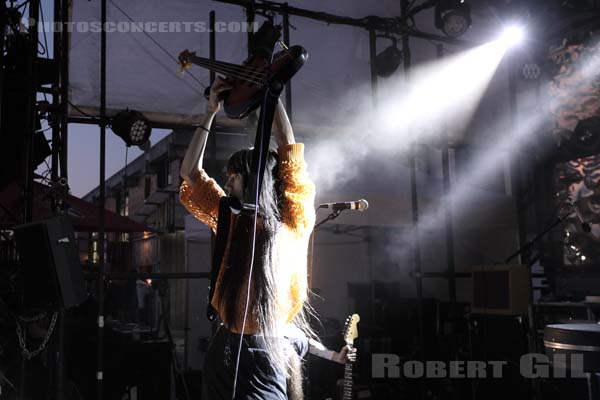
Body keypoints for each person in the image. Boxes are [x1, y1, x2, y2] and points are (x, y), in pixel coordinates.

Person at [180, 77, 317, 399]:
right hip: (225, 343)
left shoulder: (293, 217)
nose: (229, 183)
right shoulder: (230, 216)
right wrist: (210, 111)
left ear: (254, 179)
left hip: (264, 349)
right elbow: (190, 174)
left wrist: (273, 92)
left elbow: (288, 147)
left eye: (235, 176)